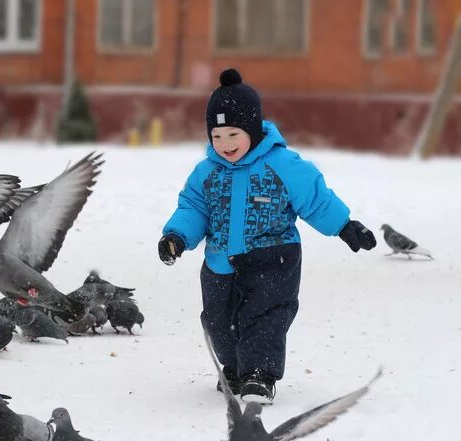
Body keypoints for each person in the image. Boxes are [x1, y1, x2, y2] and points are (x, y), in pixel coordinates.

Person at [158, 68, 376, 403]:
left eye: (233, 135)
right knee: (218, 322)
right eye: (217, 136)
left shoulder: (283, 164)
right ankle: (234, 368)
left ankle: (259, 374)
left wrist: (345, 226)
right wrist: (176, 237)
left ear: (253, 129)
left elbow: (315, 199)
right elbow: (194, 208)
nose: (225, 145)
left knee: (265, 317)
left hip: (273, 259)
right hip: (220, 264)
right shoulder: (207, 172)